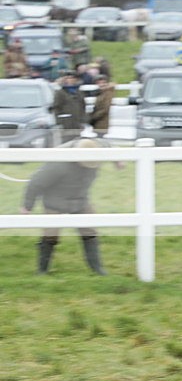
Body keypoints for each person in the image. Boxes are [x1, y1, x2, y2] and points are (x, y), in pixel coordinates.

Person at [21, 137, 110, 275]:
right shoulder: (58, 164)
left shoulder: (99, 147)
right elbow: (36, 183)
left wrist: (119, 160)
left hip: (80, 200)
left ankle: (97, 269)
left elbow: (108, 144)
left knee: (90, 231)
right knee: (50, 235)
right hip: (55, 201)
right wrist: (27, 206)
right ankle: (42, 271)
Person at [52, 71, 86, 143]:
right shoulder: (60, 92)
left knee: (77, 142)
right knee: (66, 142)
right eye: (68, 78)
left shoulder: (79, 92)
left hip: (77, 124)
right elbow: (56, 108)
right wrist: (59, 122)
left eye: (72, 78)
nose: (70, 80)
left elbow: (83, 107)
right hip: (65, 124)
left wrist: (83, 121)